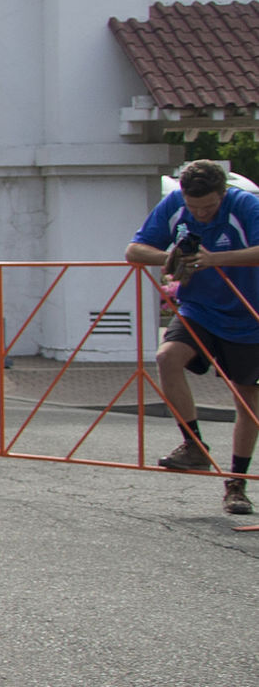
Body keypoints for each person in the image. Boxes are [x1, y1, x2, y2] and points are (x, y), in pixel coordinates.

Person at [126, 159, 259, 515]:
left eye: (209, 207)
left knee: (247, 401)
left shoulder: (246, 205)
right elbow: (134, 250)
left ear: (223, 194)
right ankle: (194, 446)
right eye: (193, 207)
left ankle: (236, 484)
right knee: (167, 357)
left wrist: (216, 259)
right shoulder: (175, 204)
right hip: (199, 308)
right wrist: (167, 257)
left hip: (248, 313)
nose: (200, 214)